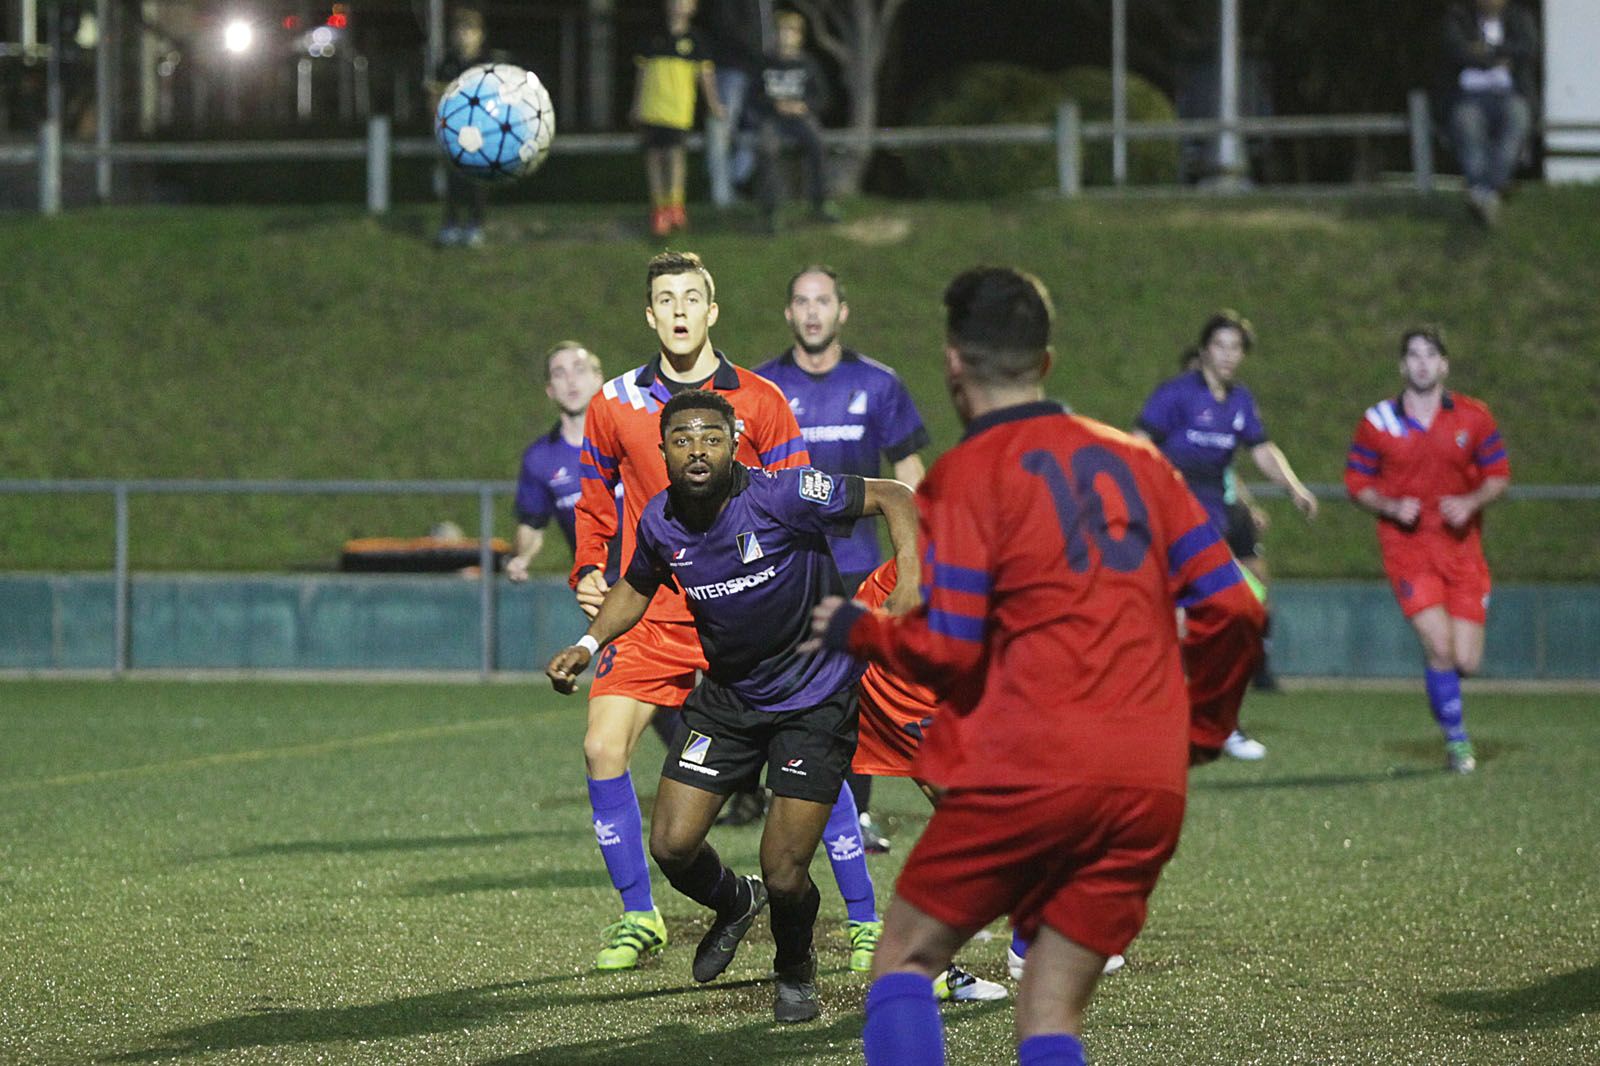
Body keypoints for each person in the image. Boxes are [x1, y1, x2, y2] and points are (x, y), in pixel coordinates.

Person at [809, 266, 1265, 1066]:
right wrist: (1200, 729)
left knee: (904, 960)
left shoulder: (965, 476)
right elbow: (1237, 608)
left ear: (953, 364)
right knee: (1049, 1010)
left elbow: (948, 649)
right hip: (1147, 782)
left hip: (1032, 765)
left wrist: (861, 631)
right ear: (1046, 361)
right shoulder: (1140, 462)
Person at [549, 390, 922, 1023]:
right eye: (683, 439)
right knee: (672, 846)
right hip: (729, 699)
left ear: (734, 443)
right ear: (662, 450)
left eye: (711, 438)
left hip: (813, 700)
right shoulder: (661, 520)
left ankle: (794, 967)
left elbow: (894, 494)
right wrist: (587, 644)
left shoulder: (782, 495)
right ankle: (734, 901)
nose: (697, 450)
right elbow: (638, 584)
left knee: (785, 871)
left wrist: (908, 577)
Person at [568, 250, 811, 972]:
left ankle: (861, 918)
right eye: (665, 299)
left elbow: (798, 502)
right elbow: (593, 497)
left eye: (690, 297)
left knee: (806, 761)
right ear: (650, 315)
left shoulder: (761, 399)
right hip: (650, 612)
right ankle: (640, 915)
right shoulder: (613, 402)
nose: (679, 310)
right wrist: (588, 565)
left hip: (745, 613)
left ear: (712, 309)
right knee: (601, 748)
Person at [756, 265, 929, 853]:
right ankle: (796, 805)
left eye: (823, 301)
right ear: (789, 312)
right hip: (787, 565)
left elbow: (909, 473)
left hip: (860, 566)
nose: (812, 312)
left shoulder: (878, 383)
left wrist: (914, 558)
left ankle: (855, 814)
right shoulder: (764, 388)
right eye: (802, 301)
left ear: (842, 311)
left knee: (861, 691)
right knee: (792, 686)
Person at [1134, 310, 1317, 760]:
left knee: (1240, 610)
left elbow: (1262, 450)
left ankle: (1219, 722)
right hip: (1173, 522)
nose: (1228, 355)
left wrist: (1294, 488)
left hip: (1212, 524)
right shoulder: (1176, 394)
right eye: (1220, 345)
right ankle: (1175, 720)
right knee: (1196, 617)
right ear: (1204, 350)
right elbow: (1137, 444)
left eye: (1236, 347)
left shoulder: (1240, 401)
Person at [1343, 326, 1510, 774]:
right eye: (1414, 356)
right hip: (1408, 550)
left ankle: (1441, 676)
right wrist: (1390, 506)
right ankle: (1457, 741)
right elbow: (1357, 482)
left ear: (1444, 365)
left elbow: (1498, 475)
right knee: (1440, 646)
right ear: (1402, 366)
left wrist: (1470, 501)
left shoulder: (1474, 417)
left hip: (1462, 551)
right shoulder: (1378, 421)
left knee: (1465, 660)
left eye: (1430, 355)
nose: (1422, 363)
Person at [506, 342, 608, 582]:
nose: (571, 381)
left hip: (656, 583)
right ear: (550, 389)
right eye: (559, 373)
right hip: (597, 587)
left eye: (579, 370)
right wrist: (522, 558)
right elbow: (532, 525)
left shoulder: (628, 439)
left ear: (598, 379)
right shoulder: (540, 458)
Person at [631, 0, 725, 237]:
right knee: (654, 155)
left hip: (678, 110)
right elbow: (642, 73)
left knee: (675, 155)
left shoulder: (696, 40)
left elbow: (706, 75)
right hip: (652, 107)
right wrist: (636, 105)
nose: (679, 6)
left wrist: (713, 104)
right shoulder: (653, 37)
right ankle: (659, 208)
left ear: (693, 7)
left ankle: (675, 205)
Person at [1441, 0, 1539, 226]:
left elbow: (1528, 48)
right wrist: (1499, 59)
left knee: (1517, 122)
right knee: (1468, 127)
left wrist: (1486, 50)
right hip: (1469, 96)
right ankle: (1486, 192)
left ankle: (1485, 191)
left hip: (1510, 94)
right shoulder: (1458, 18)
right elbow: (1456, 51)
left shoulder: (1519, 17)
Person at [752, 10, 837, 232]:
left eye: (791, 31)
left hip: (800, 118)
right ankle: (771, 210)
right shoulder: (765, 63)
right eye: (781, 30)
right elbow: (753, 97)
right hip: (772, 118)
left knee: (818, 143)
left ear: (799, 36)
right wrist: (775, 105)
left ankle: (820, 203)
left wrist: (804, 106)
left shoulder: (808, 64)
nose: (785, 35)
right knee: (767, 149)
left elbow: (823, 97)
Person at [429, 7, 490, 248]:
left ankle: (475, 226)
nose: (464, 35)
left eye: (470, 30)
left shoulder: (486, 64)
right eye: (460, 30)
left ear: (480, 35)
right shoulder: (447, 63)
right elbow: (435, 96)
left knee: (476, 182)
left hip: (480, 133)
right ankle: (451, 225)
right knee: (453, 181)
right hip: (453, 132)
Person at [704, 0, 772, 200]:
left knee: (754, 130)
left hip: (759, 74)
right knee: (721, 130)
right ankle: (721, 197)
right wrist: (759, 55)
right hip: (731, 69)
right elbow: (727, 28)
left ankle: (732, 182)